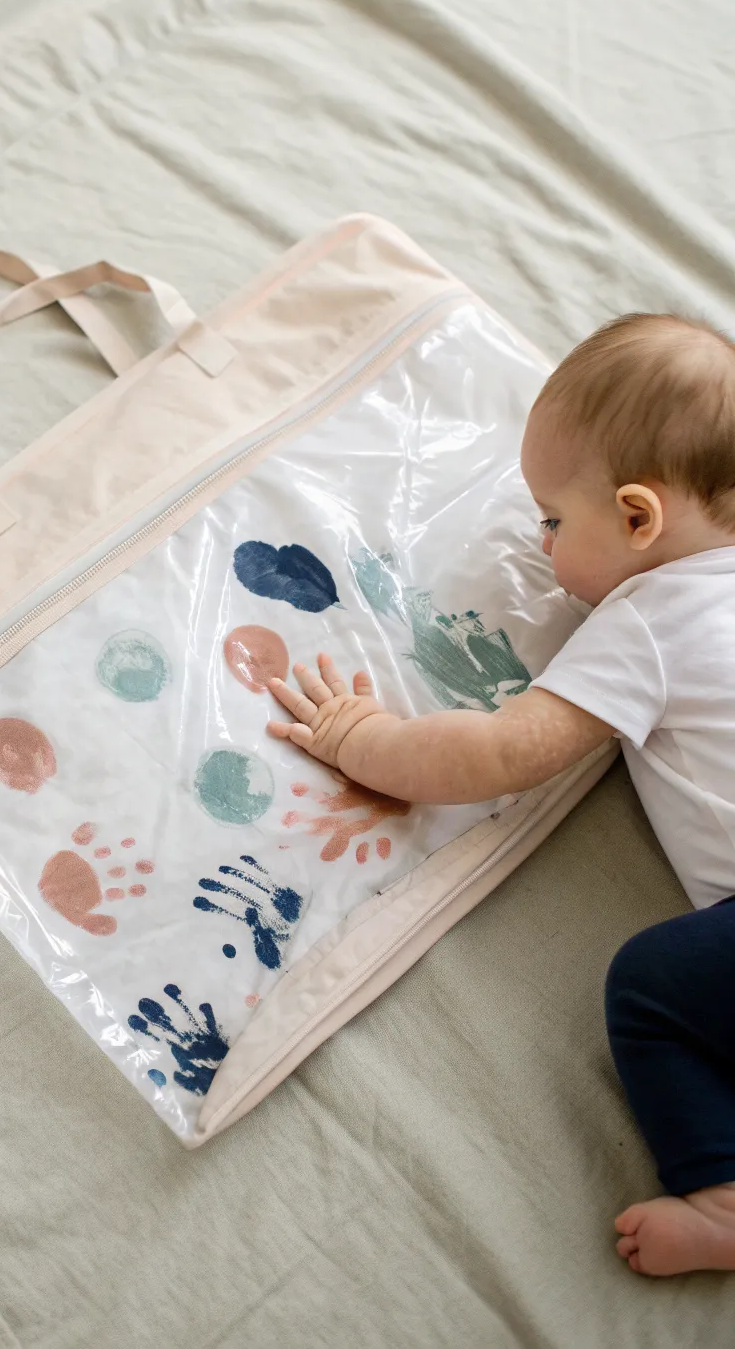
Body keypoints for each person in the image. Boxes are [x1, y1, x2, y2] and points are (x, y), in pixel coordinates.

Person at [266, 312, 735, 1277]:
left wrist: (368, 738)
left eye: (556, 520)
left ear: (640, 519)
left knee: (652, 989)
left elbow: (503, 752)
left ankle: (726, 1198)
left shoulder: (653, 615)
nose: (540, 537)